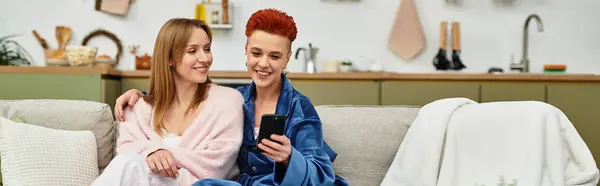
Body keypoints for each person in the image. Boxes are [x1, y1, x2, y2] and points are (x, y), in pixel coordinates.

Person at [114, 8, 349, 186]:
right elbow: (189, 97)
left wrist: (289, 158)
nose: (263, 64)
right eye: (256, 53)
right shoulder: (235, 98)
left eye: (275, 56)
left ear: (287, 59)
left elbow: (323, 175)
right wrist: (141, 96)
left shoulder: (299, 107)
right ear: (246, 50)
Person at [92, 18, 244, 186]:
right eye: (192, 51)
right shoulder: (138, 109)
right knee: (125, 163)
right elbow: (125, 150)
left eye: (207, 49)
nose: (205, 58)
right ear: (169, 58)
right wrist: (151, 153)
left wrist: (157, 153)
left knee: (130, 164)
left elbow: (215, 167)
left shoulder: (228, 101)